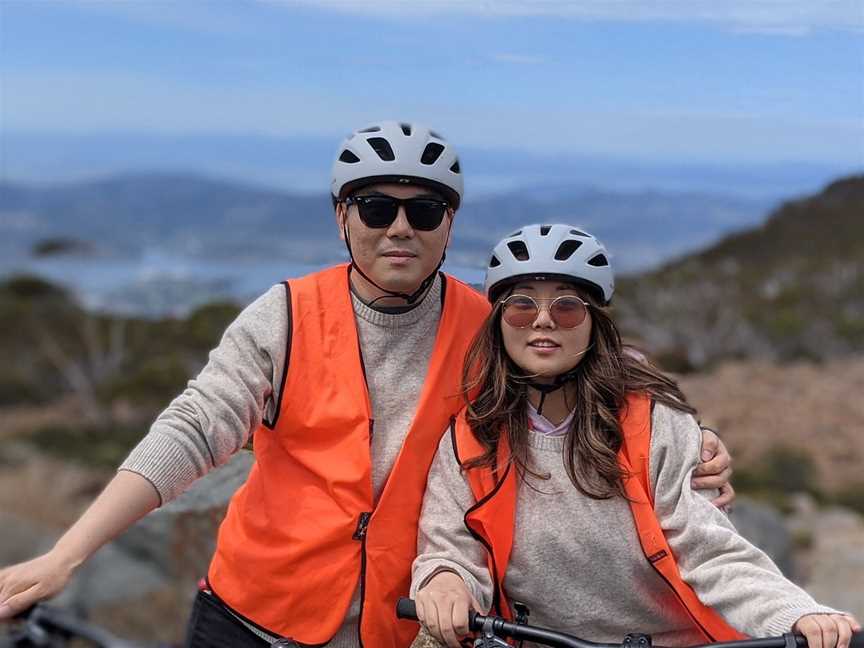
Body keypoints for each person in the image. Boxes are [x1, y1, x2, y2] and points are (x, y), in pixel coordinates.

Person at [0, 124, 734, 648]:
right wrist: (67, 554)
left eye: (424, 210)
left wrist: (690, 443)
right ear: (341, 217)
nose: (399, 229)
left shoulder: (487, 325)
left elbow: (590, 360)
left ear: (450, 227)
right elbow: (194, 428)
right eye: (376, 208)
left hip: (404, 622)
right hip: (251, 617)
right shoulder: (285, 315)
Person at [410, 223, 861, 648]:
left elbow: (712, 550)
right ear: (500, 319)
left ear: (594, 323)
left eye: (567, 306)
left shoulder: (652, 421)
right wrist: (444, 579)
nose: (543, 320)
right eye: (522, 304)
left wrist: (797, 613)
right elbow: (449, 544)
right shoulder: (474, 435)